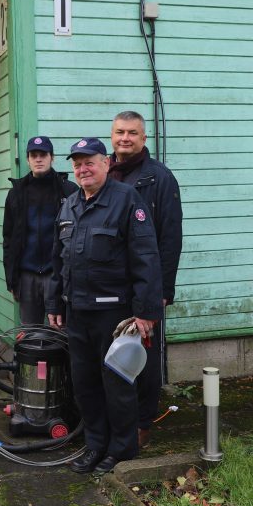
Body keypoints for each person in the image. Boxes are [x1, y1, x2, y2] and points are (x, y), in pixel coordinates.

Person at [49, 137, 163, 474]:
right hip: (78, 313)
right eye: (77, 163)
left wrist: (145, 312)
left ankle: (121, 450)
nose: (83, 169)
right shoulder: (69, 205)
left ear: (106, 164)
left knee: (117, 386)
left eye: (90, 162)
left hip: (116, 315)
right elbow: (59, 260)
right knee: (85, 385)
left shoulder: (127, 200)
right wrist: (55, 302)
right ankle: (95, 445)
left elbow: (146, 257)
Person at [109, 111, 183, 448]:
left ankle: (142, 426)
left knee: (144, 362)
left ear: (144, 138)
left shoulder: (159, 178)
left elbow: (170, 239)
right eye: (120, 132)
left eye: (132, 133)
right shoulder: (102, 171)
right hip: (108, 287)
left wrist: (163, 290)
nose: (125, 138)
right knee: (112, 357)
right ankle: (114, 422)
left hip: (145, 286)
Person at [2, 136, 78, 325]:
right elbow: (8, 238)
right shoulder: (16, 193)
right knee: (30, 334)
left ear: (52, 157)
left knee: (60, 330)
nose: (38, 159)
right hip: (27, 275)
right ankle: (31, 356)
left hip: (58, 274)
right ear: (27, 159)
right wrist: (11, 278)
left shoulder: (68, 190)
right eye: (33, 155)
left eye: (43, 154)